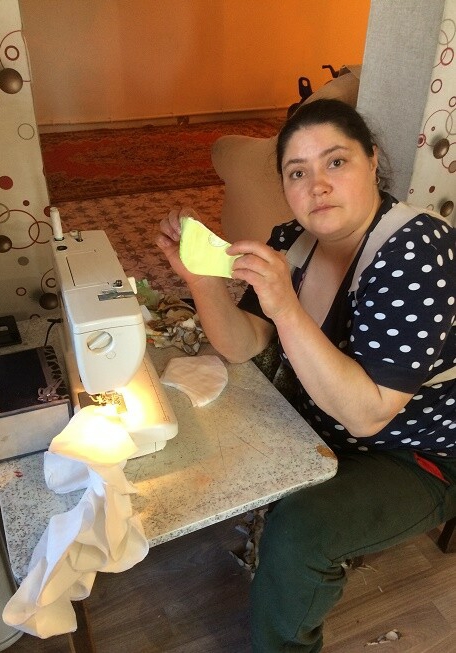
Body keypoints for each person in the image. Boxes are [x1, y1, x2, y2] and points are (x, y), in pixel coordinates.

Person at [156, 98, 456, 652]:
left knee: (302, 532)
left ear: (372, 160)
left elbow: (368, 414)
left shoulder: (414, 252)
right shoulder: (292, 240)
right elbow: (243, 343)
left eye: (336, 162)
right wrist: (200, 280)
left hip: (417, 452)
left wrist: (285, 307)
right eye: (297, 172)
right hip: (323, 422)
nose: (317, 185)